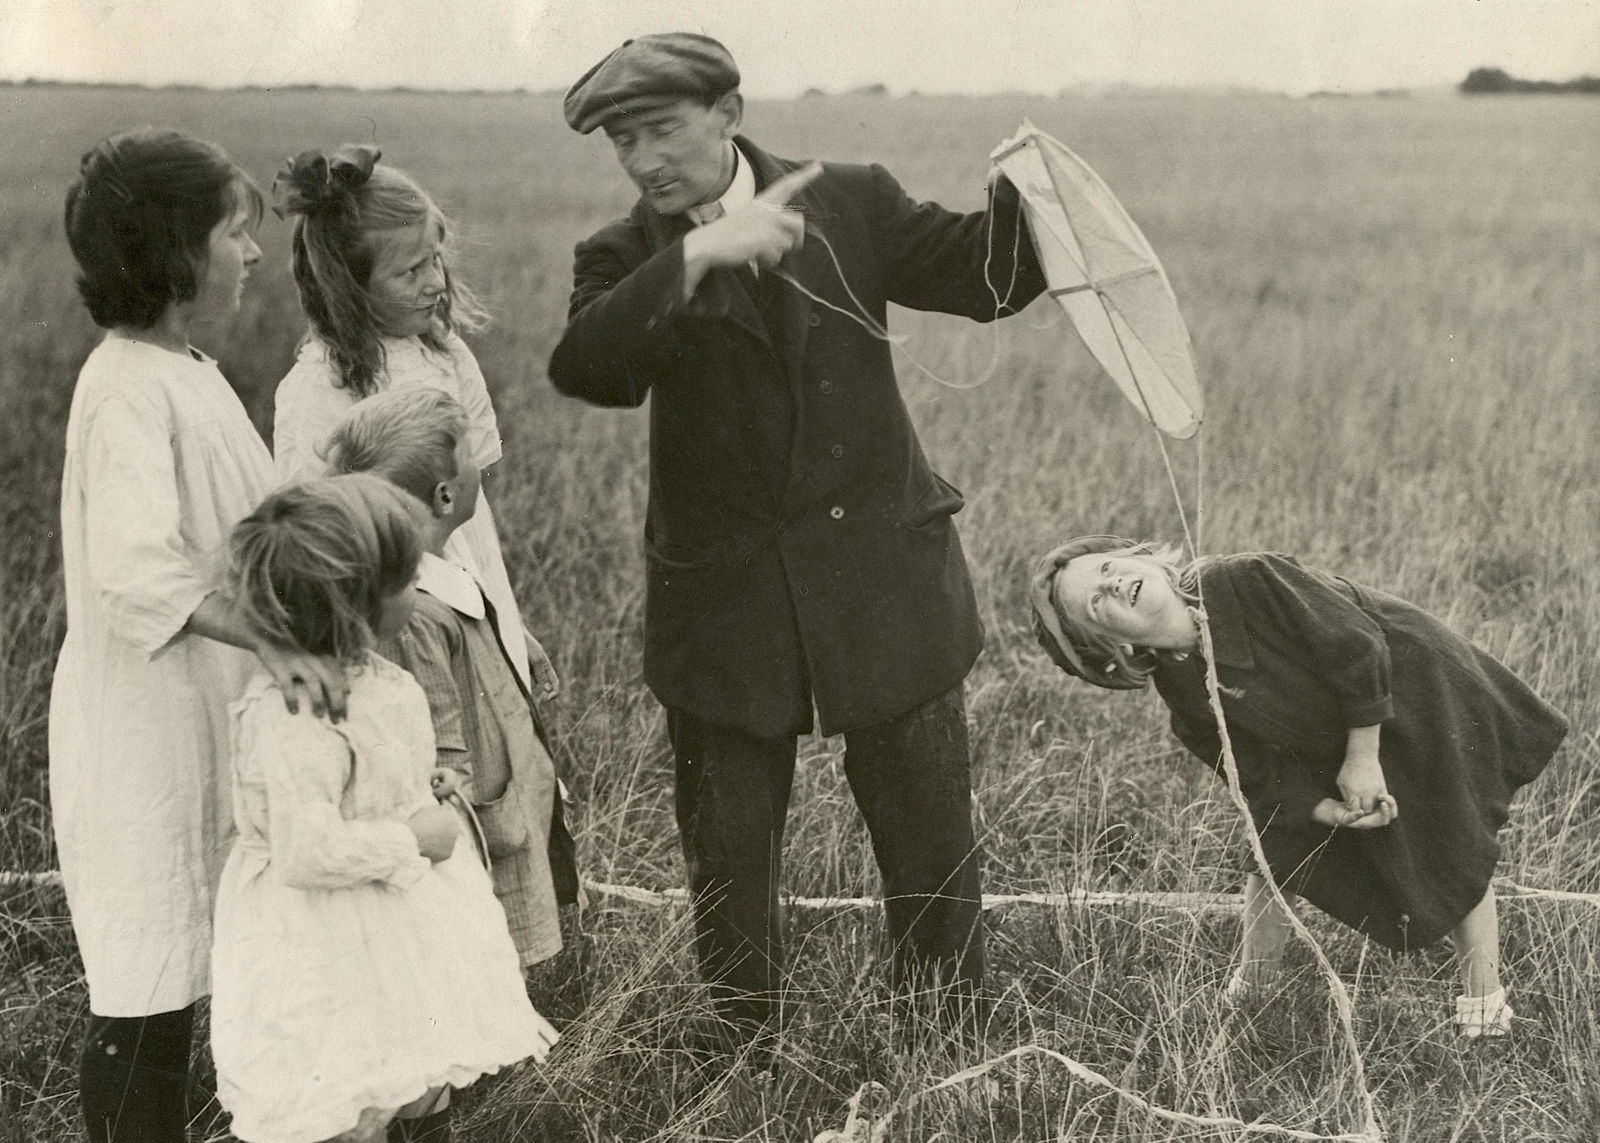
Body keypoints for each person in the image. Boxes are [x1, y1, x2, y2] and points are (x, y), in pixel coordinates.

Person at [548, 33, 1047, 1041]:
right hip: (725, 606)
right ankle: (743, 1046)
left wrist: (1030, 196)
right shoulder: (625, 256)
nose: (643, 160)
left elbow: (985, 282)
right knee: (729, 849)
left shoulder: (851, 199)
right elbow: (589, 370)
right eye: (621, 143)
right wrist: (693, 258)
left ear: (728, 113)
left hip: (882, 580)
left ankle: (944, 1030)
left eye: (661, 131)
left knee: (927, 828)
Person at [51, 128, 346, 1143]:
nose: (253, 256)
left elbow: (251, 520)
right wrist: (273, 634)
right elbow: (135, 574)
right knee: (141, 976)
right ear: (174, 252)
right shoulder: (124, 386)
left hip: (193, 714)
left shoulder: (188, 376)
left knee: (177, 962)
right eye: (234, 232)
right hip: (139, 727)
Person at [209, 475, 558, 1143]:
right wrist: (415, 833)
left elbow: (372, 791)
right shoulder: (298, 711)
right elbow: (305, 849)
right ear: (357, 602)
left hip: (366, 935)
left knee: (329, 1135)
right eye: (409, 579)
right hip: (325, 947)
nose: (422, 588)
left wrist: (420, 796)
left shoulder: (371, 684)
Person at [1029, 536, 1568, 1037]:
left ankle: (1485, 1008)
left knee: (1448, 836)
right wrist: (1324, 810)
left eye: (1106, 567)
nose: (1113, 583)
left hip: (1411, 693)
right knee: (1273, 846)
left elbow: (1357, 645)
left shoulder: (1243, 579)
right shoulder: (1183, 691)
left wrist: (1362, 757)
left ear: (1139, 556)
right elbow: (1255, 780)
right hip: (1328, 734)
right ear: (1112, 652)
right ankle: (1252, 991)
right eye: (1097, 603)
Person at [325, 385, 581, 1143]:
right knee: (436, 996)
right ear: (445, 493)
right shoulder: (419, 611)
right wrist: (457, 816)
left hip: (476, 816)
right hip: (455, 833)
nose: (481, 462)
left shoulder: (437, 573)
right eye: (470, 451)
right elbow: (436, 737)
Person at [270, 144, 557, 705]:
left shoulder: (446, 356)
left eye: (436, 260)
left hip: (468, 596)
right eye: (410, 271)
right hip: (386, 625)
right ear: (350, 285)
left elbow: (468, 529)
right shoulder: (318, 389)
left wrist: (505, 626)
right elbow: (315, 539)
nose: (436, 283)